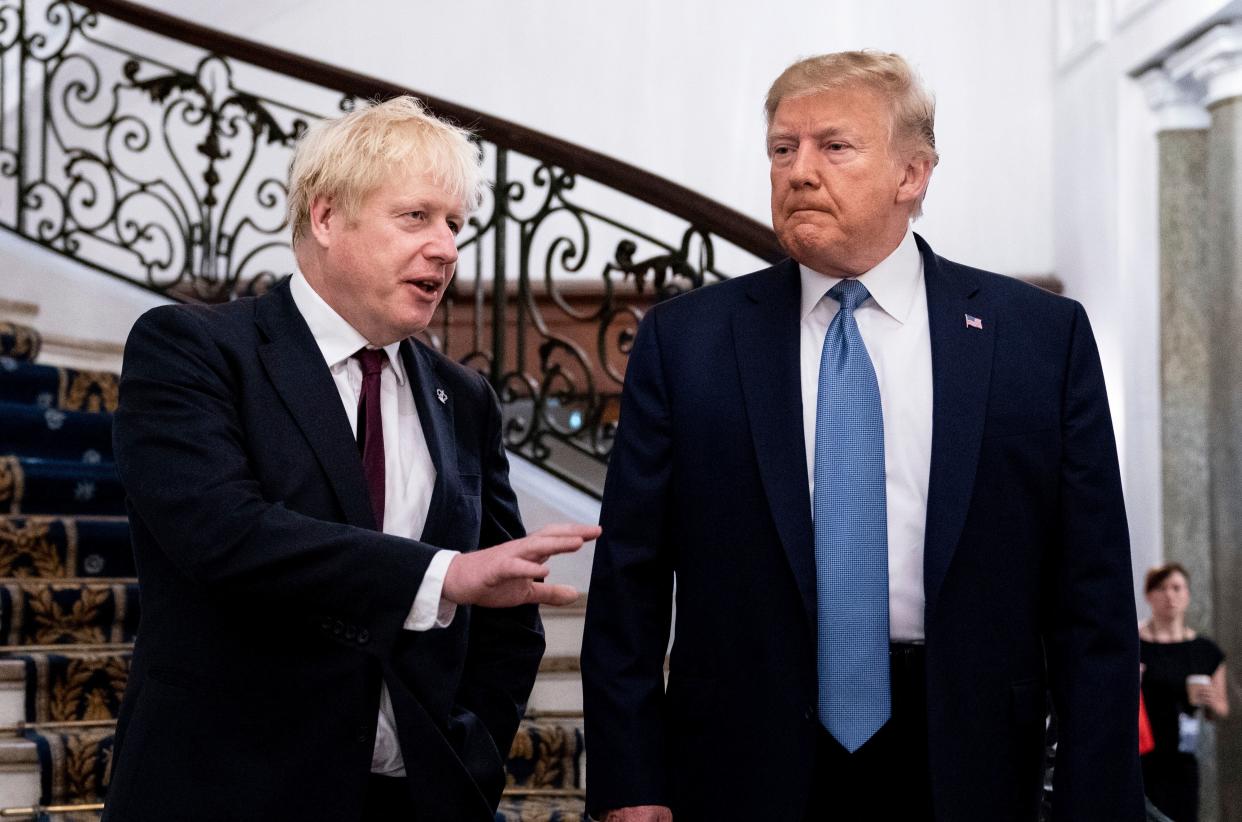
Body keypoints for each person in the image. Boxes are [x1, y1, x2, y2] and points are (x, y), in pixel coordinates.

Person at [581, 51, 1143, 821]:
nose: (799, 172)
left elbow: (1093, 593)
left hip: (969, 756)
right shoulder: (688, 343)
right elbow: (628, 586)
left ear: (913, 174)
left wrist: (1099, 797)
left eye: (833, 147)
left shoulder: (1040, 340)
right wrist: (631, 784)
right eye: (783, 149)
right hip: (743, 761)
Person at [104, 96, 599, 822]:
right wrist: (443, 575)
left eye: (455, 224)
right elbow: (225, 534)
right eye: (415, 217)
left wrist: (470, 758)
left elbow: (507, 619)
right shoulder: (193, 349)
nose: (446, 248)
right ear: (327, 217)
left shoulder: (463, 398)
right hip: (227, 795)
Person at [1139, 563, 1229, 821]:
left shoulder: (1204, 650)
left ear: (1188, 594)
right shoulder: (1135, 645)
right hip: (1140, 753)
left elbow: (1221, 710)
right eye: (1161, 588)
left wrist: (1211, 700)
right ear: (1149, 596)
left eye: (1176, 588)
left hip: (1181, 758)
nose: (1170, 595)